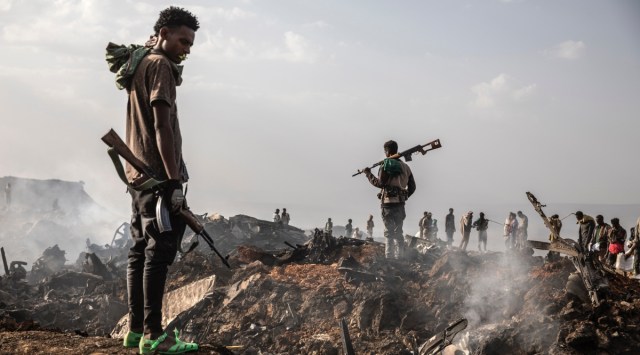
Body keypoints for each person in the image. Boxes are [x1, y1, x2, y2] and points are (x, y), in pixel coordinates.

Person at [118, 6, 200, 354]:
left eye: (191, 43)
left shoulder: (140, 63)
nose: (188, 48)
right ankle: (155, 336)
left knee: (138, 252)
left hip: (138, 176)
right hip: (158, 177)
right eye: (183, 39)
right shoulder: (162, 66)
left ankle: (135, 332)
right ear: (164, 32)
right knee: (158, 254)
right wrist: (172, 182)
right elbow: (161, 125)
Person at [362, 140, 416, 259]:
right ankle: (400, 256)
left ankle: (389, 257)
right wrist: (403, 196)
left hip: (387, 205)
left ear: (387, 151)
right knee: (398, 232)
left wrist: (368, 174)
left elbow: (380, 183)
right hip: (400, 205)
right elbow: (412, 187)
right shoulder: (406, 167)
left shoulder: (385, 164)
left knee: (389, 233)